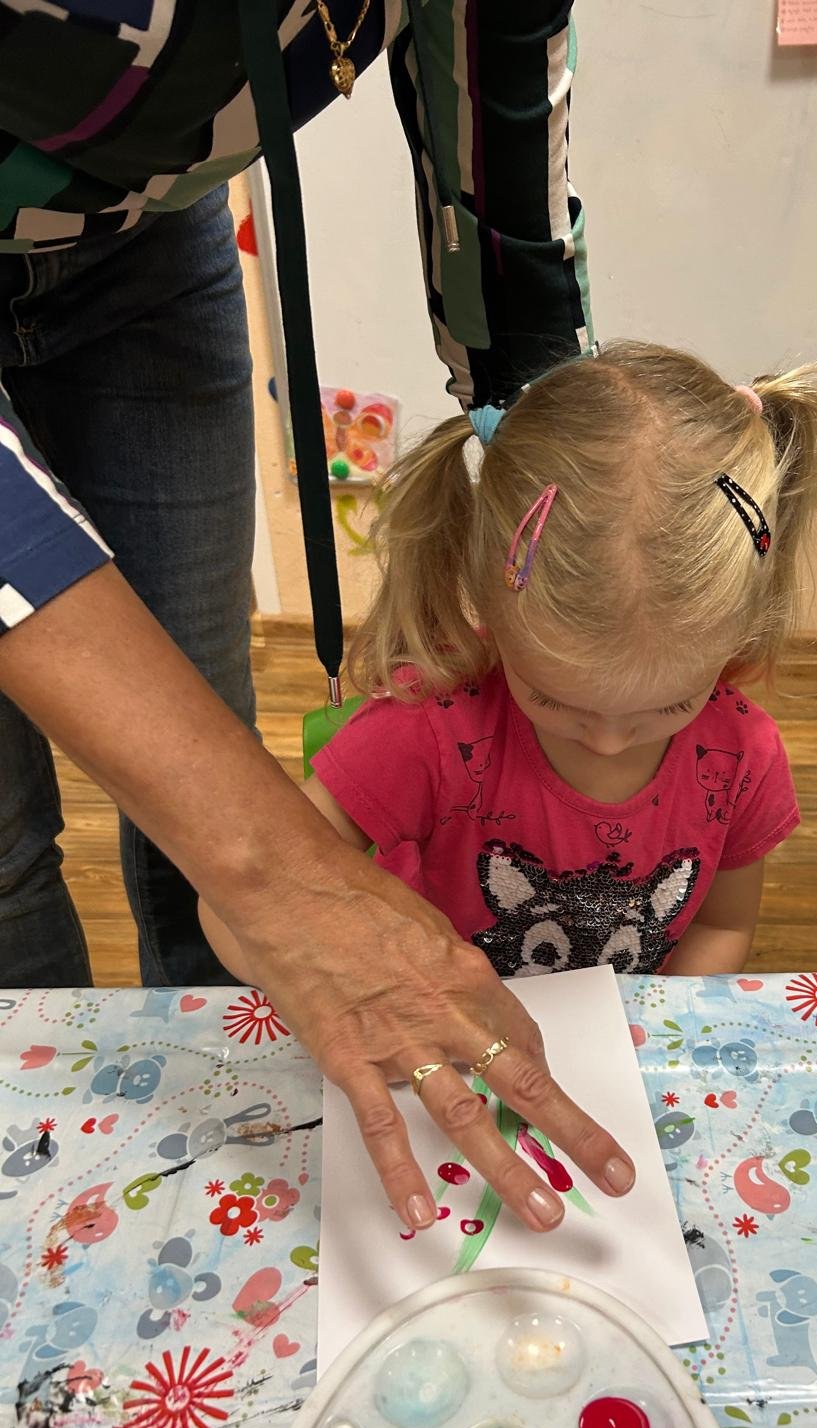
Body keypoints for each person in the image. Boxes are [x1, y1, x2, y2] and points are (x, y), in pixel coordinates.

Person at [0, 2, 636, 1235]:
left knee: (200, 750)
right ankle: (45, 1208)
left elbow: (508, 237)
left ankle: (227, 1137)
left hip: (138, 255)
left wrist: (588, 552)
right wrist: (274, 868)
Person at [201, 342, 817, 987]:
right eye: (554, 699)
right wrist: (346, 985)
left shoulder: (741, 754)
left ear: (740, 636)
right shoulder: (427, 726)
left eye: (673, 704)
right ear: (490, 605)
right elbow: (248, 897)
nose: (609, 741)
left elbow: (722, 928)